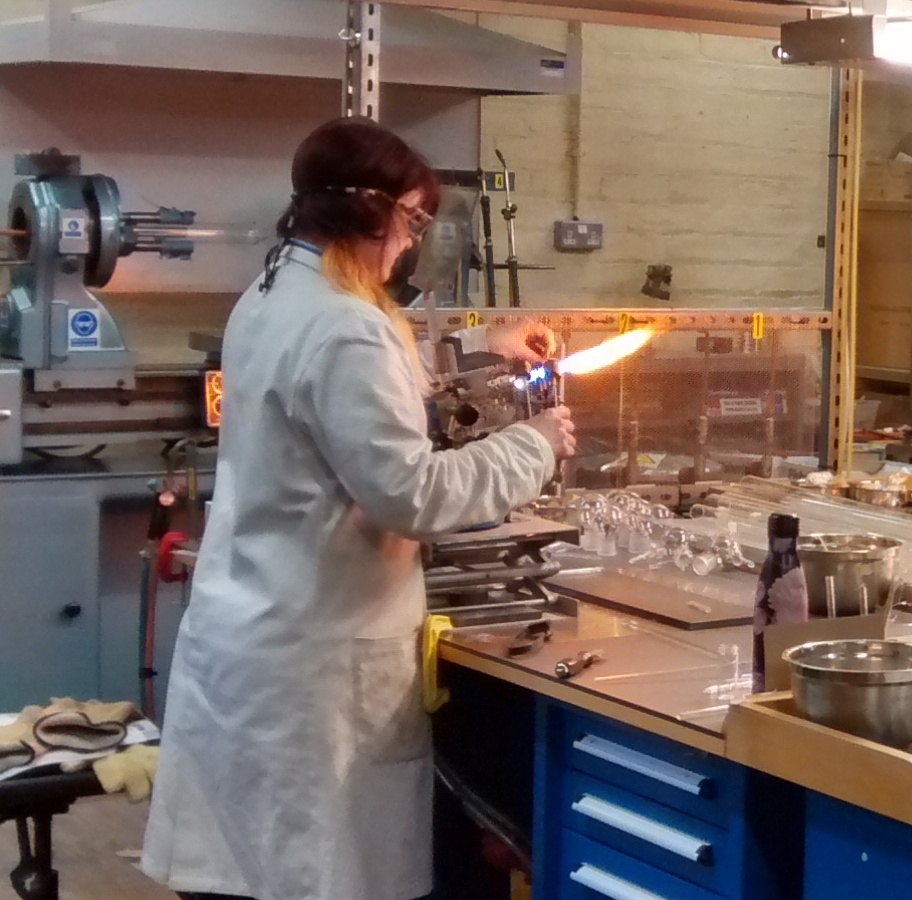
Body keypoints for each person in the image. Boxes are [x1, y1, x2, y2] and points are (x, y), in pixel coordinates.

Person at [141, 117, 577, 900]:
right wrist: (535, 445)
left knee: (249, 874)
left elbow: (359, 384)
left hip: (253, 638)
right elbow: (410, 492)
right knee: (312, 874)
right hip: (315, 668)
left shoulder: (275, 291)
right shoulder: (347, 325)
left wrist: (485, 343)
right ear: (370, 213)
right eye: (411, 221)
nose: (410, 244)